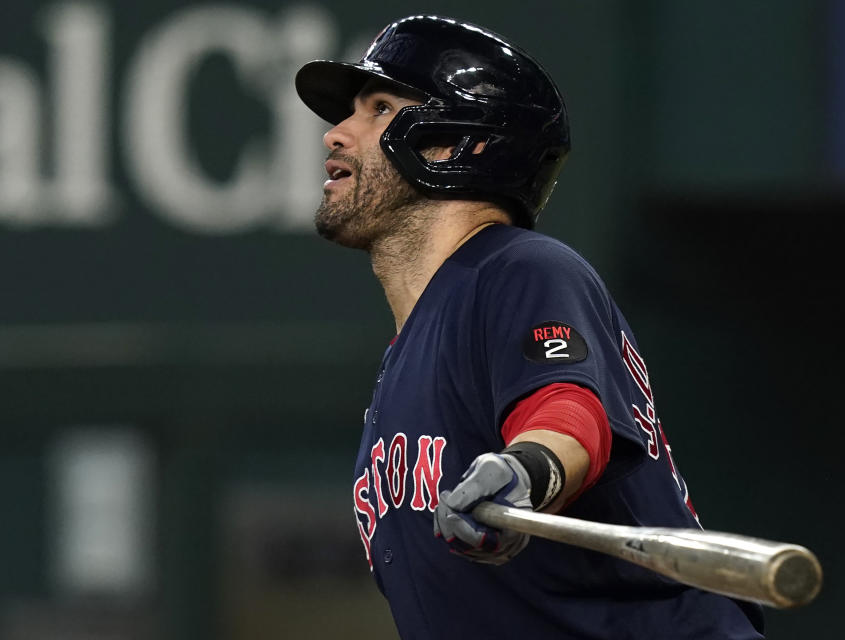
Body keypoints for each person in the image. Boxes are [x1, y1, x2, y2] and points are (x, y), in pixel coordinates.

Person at [295, 15, 765, 640]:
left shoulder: (516, 267)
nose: (336, 134)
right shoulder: (409, 353)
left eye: (378, 108)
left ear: (459, 142)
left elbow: (568, 411)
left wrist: (525, 474)